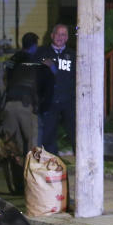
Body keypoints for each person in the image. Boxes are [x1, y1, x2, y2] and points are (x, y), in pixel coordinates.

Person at [0, 32, 52, 192]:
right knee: (32, 148)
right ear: (35, 45)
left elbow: (3, 81)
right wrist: (42, 108)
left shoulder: (12, 60)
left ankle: (16, 186)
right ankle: (33, 187)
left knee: (12, 147)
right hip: (27, 107)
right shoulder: (39, 63)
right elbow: (47, 89)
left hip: (9, 106)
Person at [37, 23, 76, 156]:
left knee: (74, 131)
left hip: (68, 100)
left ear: (67, 38)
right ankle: (51, 162)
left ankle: (80, 159)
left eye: (63, 34)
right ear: (52, 35)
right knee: (48, 133)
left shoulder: (72, 55)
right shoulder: (42, 53)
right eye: (58, 34)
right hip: (49, 100)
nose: (60, 37)